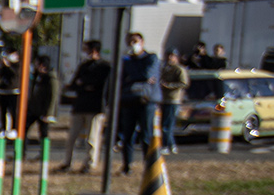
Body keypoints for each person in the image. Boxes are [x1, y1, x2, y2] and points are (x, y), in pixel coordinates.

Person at [58, 40, 109, 172]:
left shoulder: (104, 66)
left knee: (92, 138)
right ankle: (67, 162)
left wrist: (85, 83)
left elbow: (101, 85)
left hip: (95, 107)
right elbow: (75, 83)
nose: (86, 52)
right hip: (80, 105)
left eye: (87, 49)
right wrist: (83, 85)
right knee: (72, 137)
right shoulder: (84, 65)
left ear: (95, 50)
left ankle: (90, 163)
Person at [114, 31, 158, 175]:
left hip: (146, 101)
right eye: (130, 42)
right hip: (128, 100)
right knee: (128, 135)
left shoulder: (151, 58)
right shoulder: (126, 60)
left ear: (142, 42)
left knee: (146, 135)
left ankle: (148, 165)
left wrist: (133, 78)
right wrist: (137, 77)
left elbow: (147, 74)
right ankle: (127, 166)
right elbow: (121, 77)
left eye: (135, 41)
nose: (133, 45)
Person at [158, 48, 189, 153]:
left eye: (172, 56)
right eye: (168, 55)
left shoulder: (179, 69)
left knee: (167, 125)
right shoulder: (165, 69)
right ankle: (172, 145)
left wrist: (169, 86)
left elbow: (184, 83)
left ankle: (166, 145)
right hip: (164, 99)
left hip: (173, 100)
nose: (169, 58)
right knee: (164, 124)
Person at [23, 54, 57, 143]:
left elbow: (53, 96)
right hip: (34, 109)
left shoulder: (51, 78)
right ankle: (22, 152)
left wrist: (49, 113)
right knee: (24, 127)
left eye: (37, 63)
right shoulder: (36, 76)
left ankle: (43, 155)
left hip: (44, 110)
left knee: (43, 132)